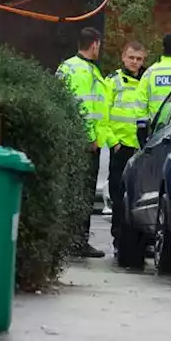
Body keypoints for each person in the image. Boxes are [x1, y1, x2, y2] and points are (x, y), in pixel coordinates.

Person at [56, 27, 111, 259]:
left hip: (70, 138)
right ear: (95, 44)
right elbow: (85, 109)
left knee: (70, 189)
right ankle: (79, 241)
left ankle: (66, 239)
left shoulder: (66, 66)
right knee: (84, 192)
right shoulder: (84, 72)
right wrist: (91, 138)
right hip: (85, 142)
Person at [105, 40, 150, 268]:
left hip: (142, 149)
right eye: (131, 57)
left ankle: (144, 243)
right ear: (123, 57)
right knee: (118, 198)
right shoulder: (112, 82)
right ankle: (118, 240)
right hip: (122, 147)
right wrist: (113, 142)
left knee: (142, 198)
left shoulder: (147, 81)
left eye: (139, 59)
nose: (135, 62)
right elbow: (104, 114)